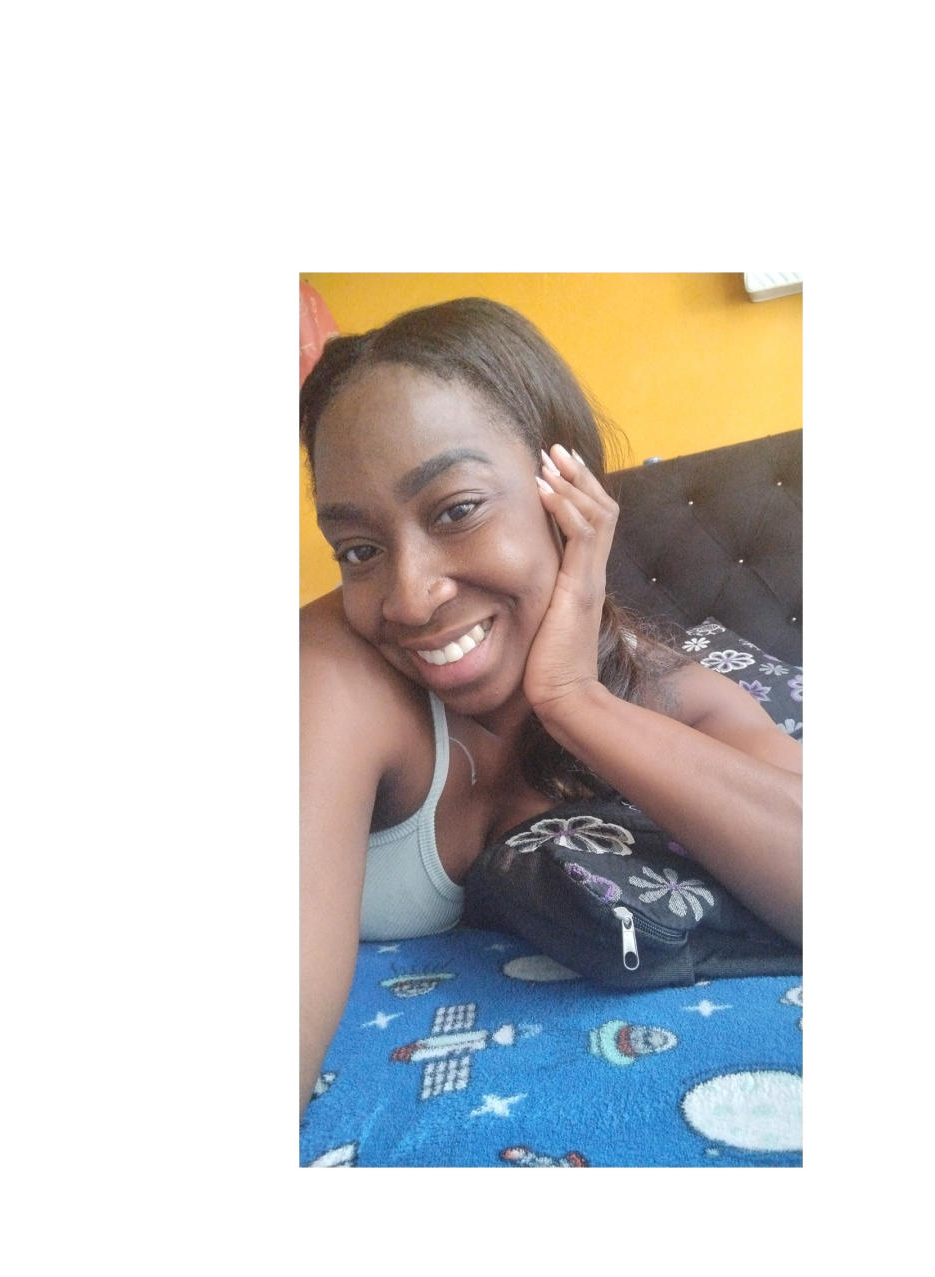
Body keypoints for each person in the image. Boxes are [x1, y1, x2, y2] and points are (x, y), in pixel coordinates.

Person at [299, 298, 802, 1114]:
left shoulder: (664, 688)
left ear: (569, 498)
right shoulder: (333, 671)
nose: (409, 597)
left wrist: (577, 703)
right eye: (359, 550)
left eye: (456, 510)